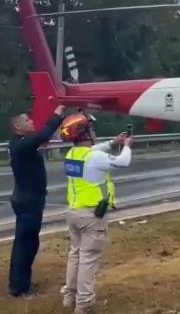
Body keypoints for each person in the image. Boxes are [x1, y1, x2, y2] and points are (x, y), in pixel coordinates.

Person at [59, 113, 133, 313]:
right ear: (85, 133)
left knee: (75, 256)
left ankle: (69, 296)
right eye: (91, 129)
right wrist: (126, 145)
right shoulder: (93, 157)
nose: (94, 132)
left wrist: (113, 142)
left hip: (74, 212)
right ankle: (84, 304)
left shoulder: (73, 154)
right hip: (91, 216)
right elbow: (123, 162)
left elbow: (92, 150)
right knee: (88, 260)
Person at [7, 105, 65, 298]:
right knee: (26, 243)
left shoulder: (21, 143)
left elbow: (39, 139)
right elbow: (43, 136)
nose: (31, 121)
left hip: (30, 199)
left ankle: (21, 282)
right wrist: (56, 116)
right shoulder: (21, 145)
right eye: (27, 120)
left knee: (27, 242)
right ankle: (19, 287)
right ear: (18, 127)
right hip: (28, 200)